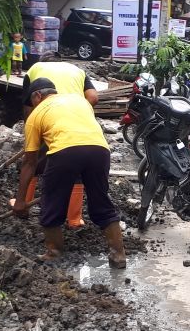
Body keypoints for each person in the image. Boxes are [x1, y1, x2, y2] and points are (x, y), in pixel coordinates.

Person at [12, 77, 125, 267]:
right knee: (101, 201)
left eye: (31, 101)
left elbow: (30, 162)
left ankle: (54, 251)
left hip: (65, 152)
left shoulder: (35, 115)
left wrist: (21, 200)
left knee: (52, 200)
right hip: (100, 150)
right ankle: (119, 254)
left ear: (38, 96)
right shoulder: (79, 101)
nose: (32, 106)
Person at [21, 58, 99, 227]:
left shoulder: (34, 69)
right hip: (78, 120)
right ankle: (74, 220)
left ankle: (23, 206)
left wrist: (33, 134)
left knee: (32, 164)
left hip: (47, 118)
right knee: (76, 171)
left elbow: (28, 107)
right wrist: (78, 109)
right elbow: (93, 97)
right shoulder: (77, 70)